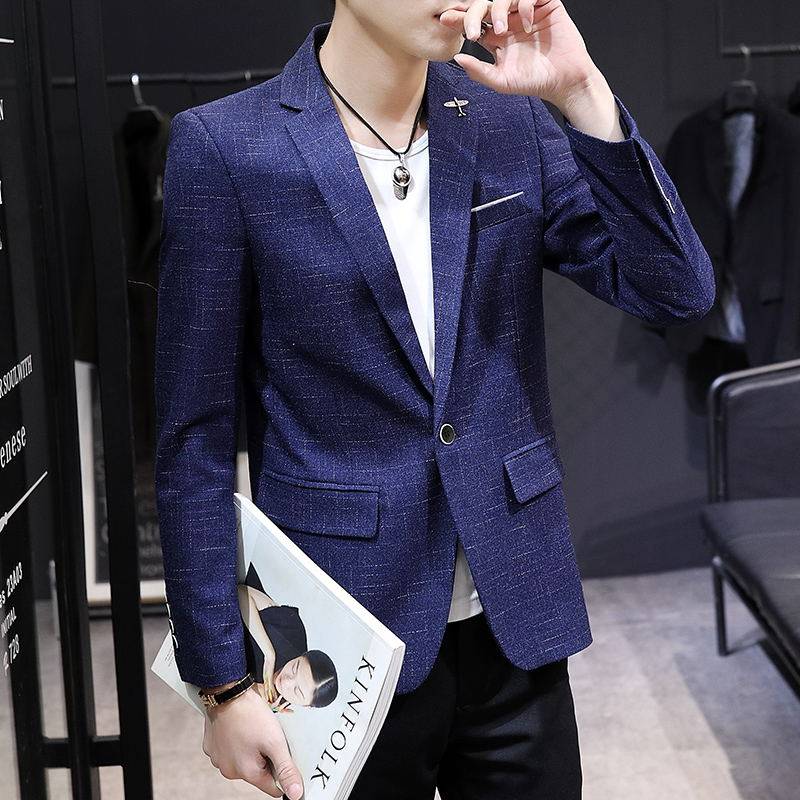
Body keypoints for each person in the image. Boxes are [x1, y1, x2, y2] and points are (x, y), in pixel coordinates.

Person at [155, 1, 715, 798]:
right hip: (343, 635)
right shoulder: (228, 147)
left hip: (514, 616)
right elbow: (195, 439)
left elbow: (676, 290)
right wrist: (222, 683)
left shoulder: (507, 123)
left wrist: (581, 90)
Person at [239, 563, 339, 712]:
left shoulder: (277, 703)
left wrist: (257, 694)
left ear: (306, 706)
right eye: (294, 668)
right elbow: (241, 593)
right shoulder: (292, 630)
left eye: (296, 691)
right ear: (303, 655)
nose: (286, 682)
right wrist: (269, 654)